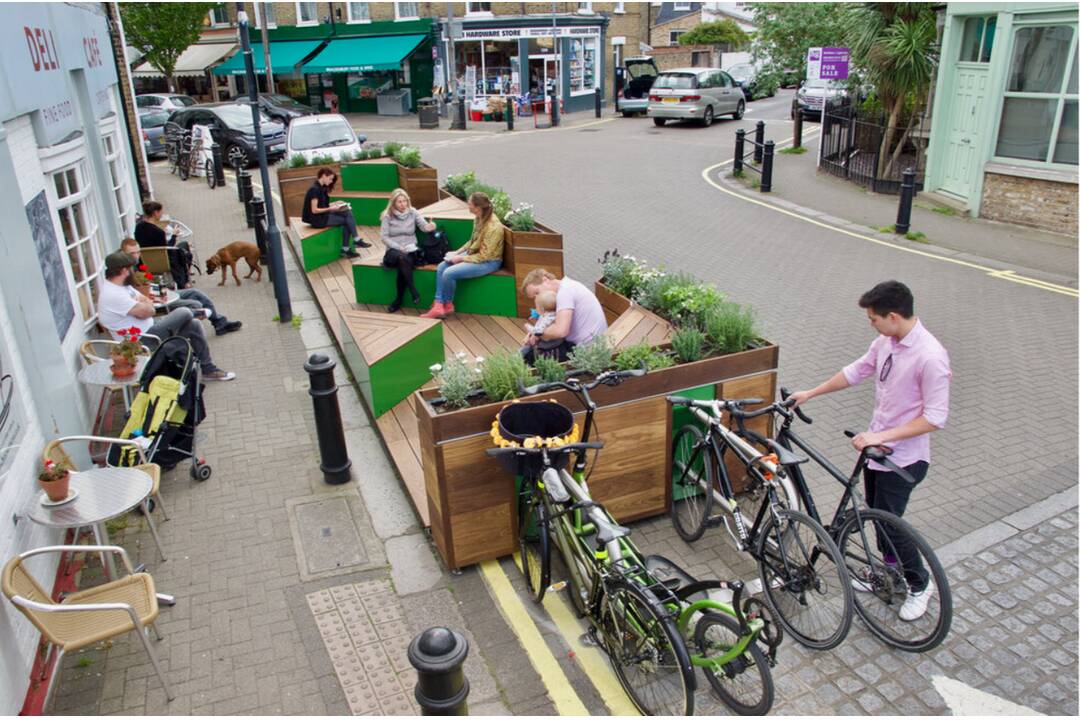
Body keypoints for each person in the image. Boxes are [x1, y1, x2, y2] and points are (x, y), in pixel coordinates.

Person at [789, 280, 950, 621]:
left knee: (892, 526)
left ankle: (920, 585)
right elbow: (856, 371)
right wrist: (811, 393)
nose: (871, 324)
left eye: (874, 318)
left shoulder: (930, 357)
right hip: (876, 455)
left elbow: (936, 418)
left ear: (893, 316)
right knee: (876, 519)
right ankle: (887, 575)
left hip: (904, 459)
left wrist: (883, 436)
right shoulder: (887, 342)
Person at [97, 251, 235, 381]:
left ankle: (208, 369)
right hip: (143, 341)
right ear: (124, 271)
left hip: (152, 329)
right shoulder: (113, 294)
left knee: (194, 324)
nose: (133, 271)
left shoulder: (123, 286)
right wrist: (146, 306)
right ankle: (198, 312)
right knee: (184, 312)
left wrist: (145, 305)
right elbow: (149, 311)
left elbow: (145, 301)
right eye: (131, 268)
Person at [120, 238, 242, 336]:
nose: (136, 256)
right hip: (154, 303)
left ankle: (220, 323)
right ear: (123, 253)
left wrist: (160, 288)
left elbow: (148, 283)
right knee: (196, 305)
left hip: (158, 293)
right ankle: (188, 333)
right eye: (132, 253)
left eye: (138, 252)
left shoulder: (135, 264)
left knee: (195, 293)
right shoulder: (123, 272)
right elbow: (138, 295)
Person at [421, 192, 504, 320]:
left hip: (489, 261)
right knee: (443, 266)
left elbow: (485, 256)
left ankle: (447, 304)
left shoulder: (494, 227)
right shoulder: (479, 217)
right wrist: (456, 252)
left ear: (477, 207)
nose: (468, 206)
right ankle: (439, 305)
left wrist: (461, 258)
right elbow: (472, 241)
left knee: (449, 273)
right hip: (475, 254)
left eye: (470, 204)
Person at [520, 269, 608, 363]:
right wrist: (534, 334)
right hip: (595, 343)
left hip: (589, 352)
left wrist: (538, 334)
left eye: (537, 292)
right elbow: (551, 321)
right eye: (534, 297)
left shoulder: (564, 293)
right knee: (530, 352)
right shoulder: (568, 286)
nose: (537, 298)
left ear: (545, 280)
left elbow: (560, 331)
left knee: (529, 357)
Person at [380, 189, 436, 313]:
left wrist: (431, 226)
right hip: (393, 251)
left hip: (411, 249)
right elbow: (384, 237)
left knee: (404, 264)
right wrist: (398, 247)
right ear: (393, 203)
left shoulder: (413, 212)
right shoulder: (387, 216)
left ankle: (398, 300)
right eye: (399, 202)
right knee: (401, 258)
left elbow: (424, 226)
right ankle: (413, 290)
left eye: (404, 201)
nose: (403, 204)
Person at [302, 167, 370, 258]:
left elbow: (322, 205)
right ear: (323, 176)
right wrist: (332, 209)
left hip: (323, 215)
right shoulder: (314, 189)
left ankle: (352, 243)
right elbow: (314, 210)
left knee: (347, 211)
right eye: (330, 179)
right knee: (347, 221)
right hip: (318, 220)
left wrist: (336, 203)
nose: (331, 181)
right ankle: (351, 244)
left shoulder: (321, 188)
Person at [135, 200, 193, 288]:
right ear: (155, 213)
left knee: (183, 247)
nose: (162, 214)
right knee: (184, 248)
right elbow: (167, 249)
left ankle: (186, 278)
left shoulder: (139, 227)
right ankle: (185, 280)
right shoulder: (159, 232)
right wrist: (174, 235)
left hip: (144, 262)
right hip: (162, 262)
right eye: (161, 212)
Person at [520, 290, 561, 357]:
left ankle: (519, 357)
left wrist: (528, 327)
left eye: (536, 307)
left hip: (548, 344)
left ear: (542, 309)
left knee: (527, 348)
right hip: (551, 340)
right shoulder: (553, 314)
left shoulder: (548, 319)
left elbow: (538, 332)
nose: (535, 309)